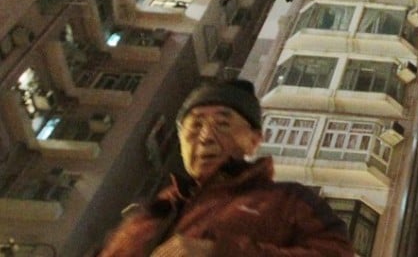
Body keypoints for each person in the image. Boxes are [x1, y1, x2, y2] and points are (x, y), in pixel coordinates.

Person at [98, 79, 355, 257]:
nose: (206, 136)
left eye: (223, 124)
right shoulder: (152, 210)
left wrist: (216, 251)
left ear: (254, 140)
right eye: (195, 125)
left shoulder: (287, 201)